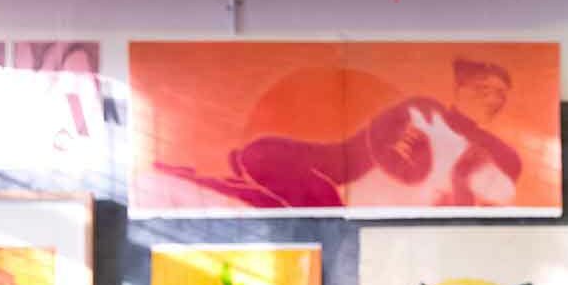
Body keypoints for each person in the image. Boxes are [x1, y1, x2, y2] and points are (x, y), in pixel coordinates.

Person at [155, 57, 523, 209]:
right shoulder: (422, 110)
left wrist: (458, 179)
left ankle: (200, 181)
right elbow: (355, 157)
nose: (492, 99)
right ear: (460, 88)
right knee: (281, 176)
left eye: (500, 95)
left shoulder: (492, 156)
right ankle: (196, 179)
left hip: (352, 211)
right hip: (332, 184)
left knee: (306, 205)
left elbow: (474, 210)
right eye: (483, 88)